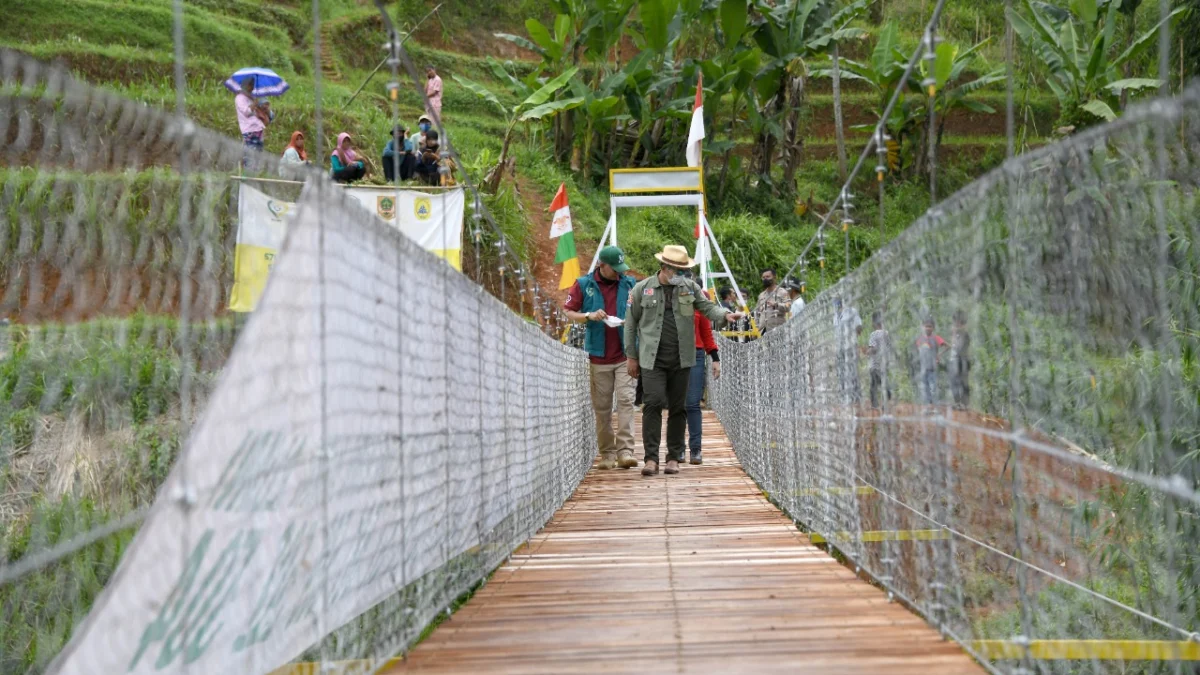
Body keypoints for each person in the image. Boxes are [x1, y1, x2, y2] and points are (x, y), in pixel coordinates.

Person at [626, 245, 744, 476]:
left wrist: (724, 315)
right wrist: (631, 356)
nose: (680, 274)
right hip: (652, 359)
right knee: (653, 403)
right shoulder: (642, 289)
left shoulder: (690, 288)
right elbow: (630, 324)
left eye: (683, 270)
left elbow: (708, 307)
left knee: (678, 407)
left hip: (682, 357)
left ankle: (673, 457)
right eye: (676, 270)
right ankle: (651, 459)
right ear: (664, 267)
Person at [562, 247, 639, 471]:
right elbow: (568, 311)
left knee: (626, 401)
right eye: (614, 269)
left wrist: (631, 323)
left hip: (626, 355)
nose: (618, 273)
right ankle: (607, 453)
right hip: (598, 355)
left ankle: (625, 451)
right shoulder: (584, 285)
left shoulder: (630, 284)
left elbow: (641, 312)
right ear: (601, 266)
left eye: (620, 269)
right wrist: (589, 315)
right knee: (602, 407)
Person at [685, 282, 720, 465]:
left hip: (696, 355)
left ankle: (695, 449)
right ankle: (677, 450)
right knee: (677, 404)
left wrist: (715, 357)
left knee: (692, 403)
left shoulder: (702, 298)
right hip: (672, 355)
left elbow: (706, 331)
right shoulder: (668, 296)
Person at [833, 297, 863, 403]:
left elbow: (859, 327)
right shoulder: (835, 316)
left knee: (852, 371)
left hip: (850, 346)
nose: (836, 305)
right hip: (839, 348)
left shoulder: (851, 311)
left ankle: (856, 397)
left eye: (837, 302)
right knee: (841, 372)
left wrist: (853, 337)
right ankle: (843, 397)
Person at [915, 316, 947, 406]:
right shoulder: (920, 339)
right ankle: (929, 403)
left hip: (933, 366)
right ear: (923, 327)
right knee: (925, 385)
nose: (928, 328)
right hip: (924, 366)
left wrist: (939, 354)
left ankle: (935, 402)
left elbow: (947, 346)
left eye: (930, 326)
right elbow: (919, 350)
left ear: (933, 328)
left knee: (933, 385)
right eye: (926, 326)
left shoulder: (936, 338)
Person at [234, 77, 264, 168]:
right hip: (250, 130)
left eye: (253, 84)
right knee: (250, 154)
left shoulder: (250, 97)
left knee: (258, 154)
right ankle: (248, 175)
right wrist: (254, 104)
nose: (252, 87)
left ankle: (255, 174)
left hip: (258, 129)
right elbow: (246, 112)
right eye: (250, 84)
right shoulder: (240, 98)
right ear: (245, 85)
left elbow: (255, 112)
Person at [867, 311, 893, 409]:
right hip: (884, 363)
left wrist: (867, 351)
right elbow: (888, 347)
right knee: (883, 382)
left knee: (873, 386)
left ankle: (874, 405)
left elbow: (873, 348)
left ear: (873, 323)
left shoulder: (873, 334)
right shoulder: (886, 333)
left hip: (874, 365)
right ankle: (887, 395)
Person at [754, 268, 790, 334]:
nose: (765, 279)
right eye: (763, 277)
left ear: (774, 277)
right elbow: (757, 313)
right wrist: (756, 328)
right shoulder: (761, 296)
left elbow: (788, 306)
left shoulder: (783, 292)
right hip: (763, 331)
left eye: (768, 277)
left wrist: (777, 305)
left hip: (778, 330)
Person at [949, 309, 971, 408]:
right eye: (956, 321)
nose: (957, 324)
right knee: (954, 382)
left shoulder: (965, 334)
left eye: (960, 322)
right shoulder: (955, 333)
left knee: (963, 383)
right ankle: (957, 402)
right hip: (954, 360)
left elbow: (959, 348)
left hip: (962, 361)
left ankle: (964, 404)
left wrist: (955, 334)